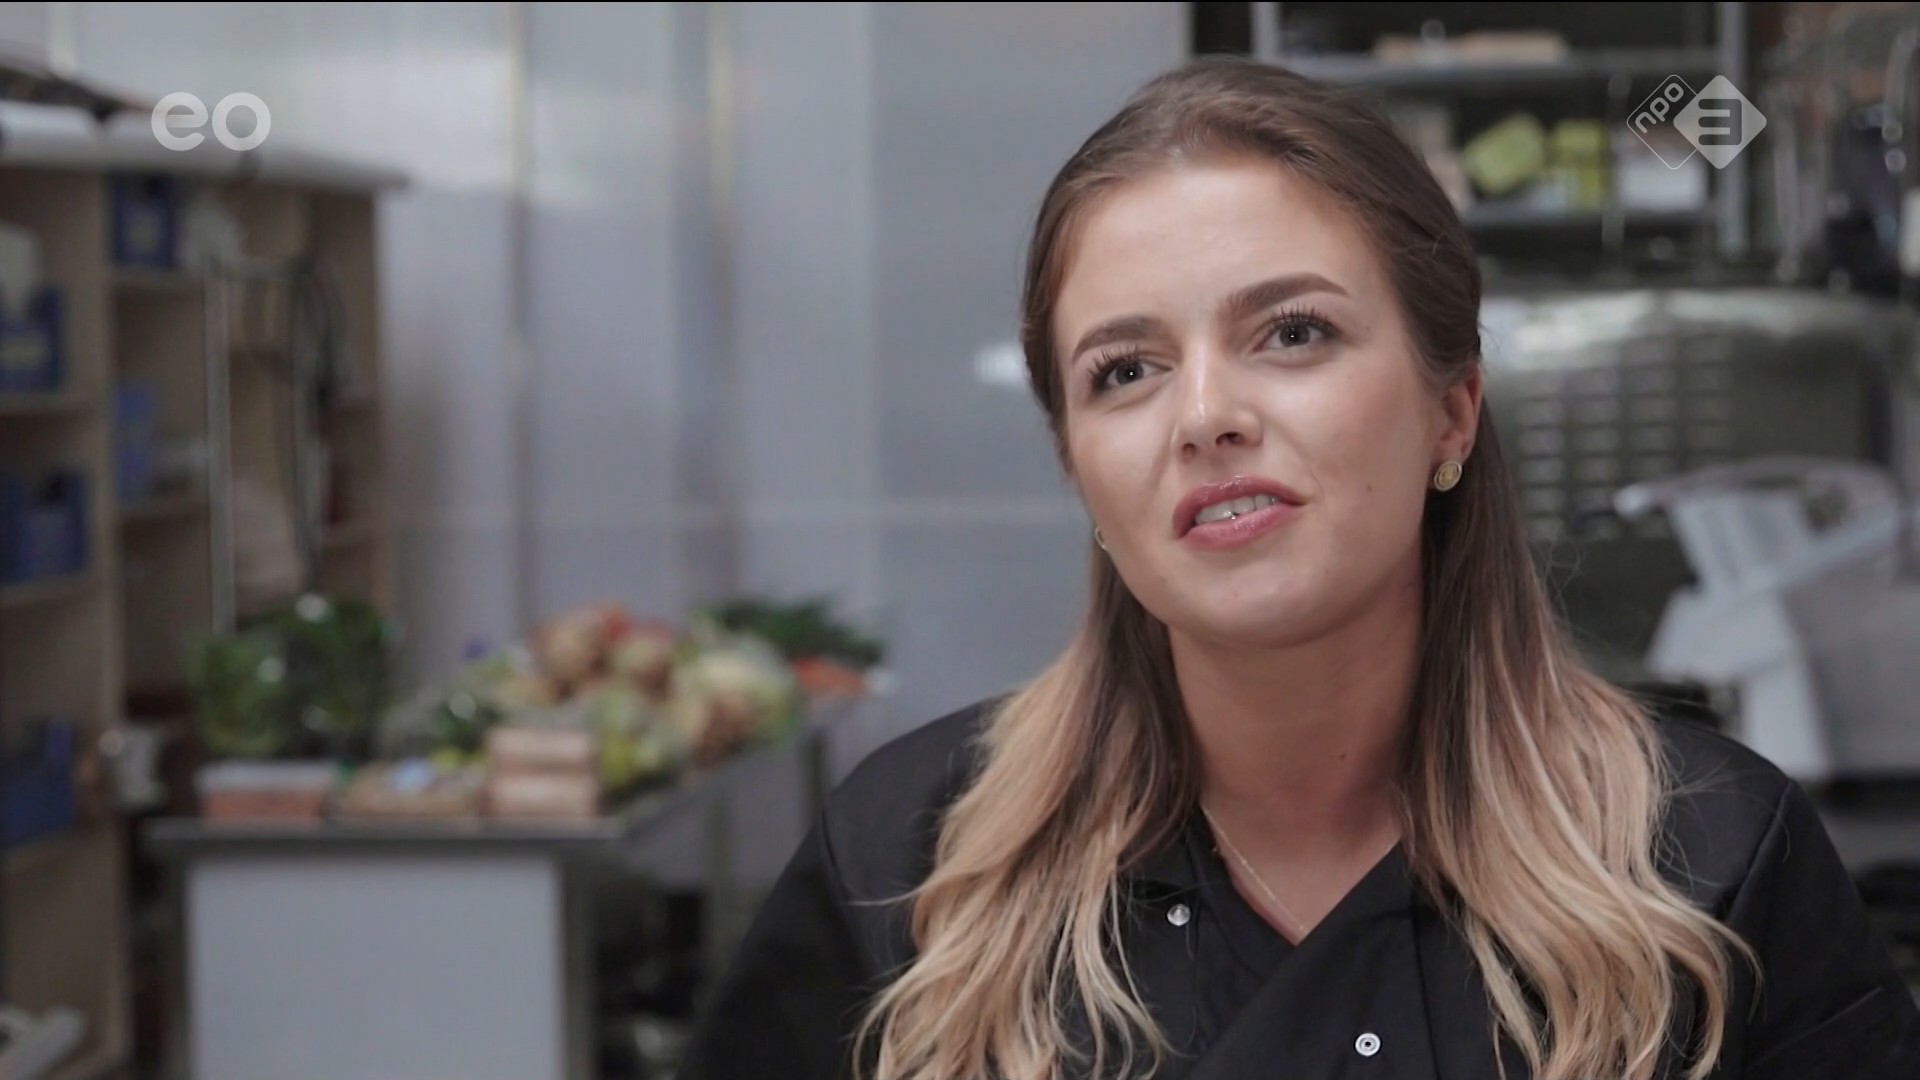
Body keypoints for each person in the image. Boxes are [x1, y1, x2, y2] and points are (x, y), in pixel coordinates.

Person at [677, 56, 1920, 1080]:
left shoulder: (1709, 868)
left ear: (1452, 411)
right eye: (1125, 370)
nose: (1205, 416)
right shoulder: (908, 865)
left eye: (1293, 332)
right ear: (1077, 469)